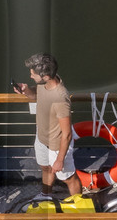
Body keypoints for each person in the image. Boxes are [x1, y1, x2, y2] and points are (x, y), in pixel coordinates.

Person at [13, 52, 81, 198]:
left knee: (68, 178)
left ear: (45, 76)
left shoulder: (60, 98)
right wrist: (26, 91)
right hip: (42, 137)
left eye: (33, 74)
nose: (31, 76)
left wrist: (60, 159)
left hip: (57, 145)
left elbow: (67, 133)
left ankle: (80, 209)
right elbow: (36, 96)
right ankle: (46, 195)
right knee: (45, 167)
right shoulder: (44, 85)